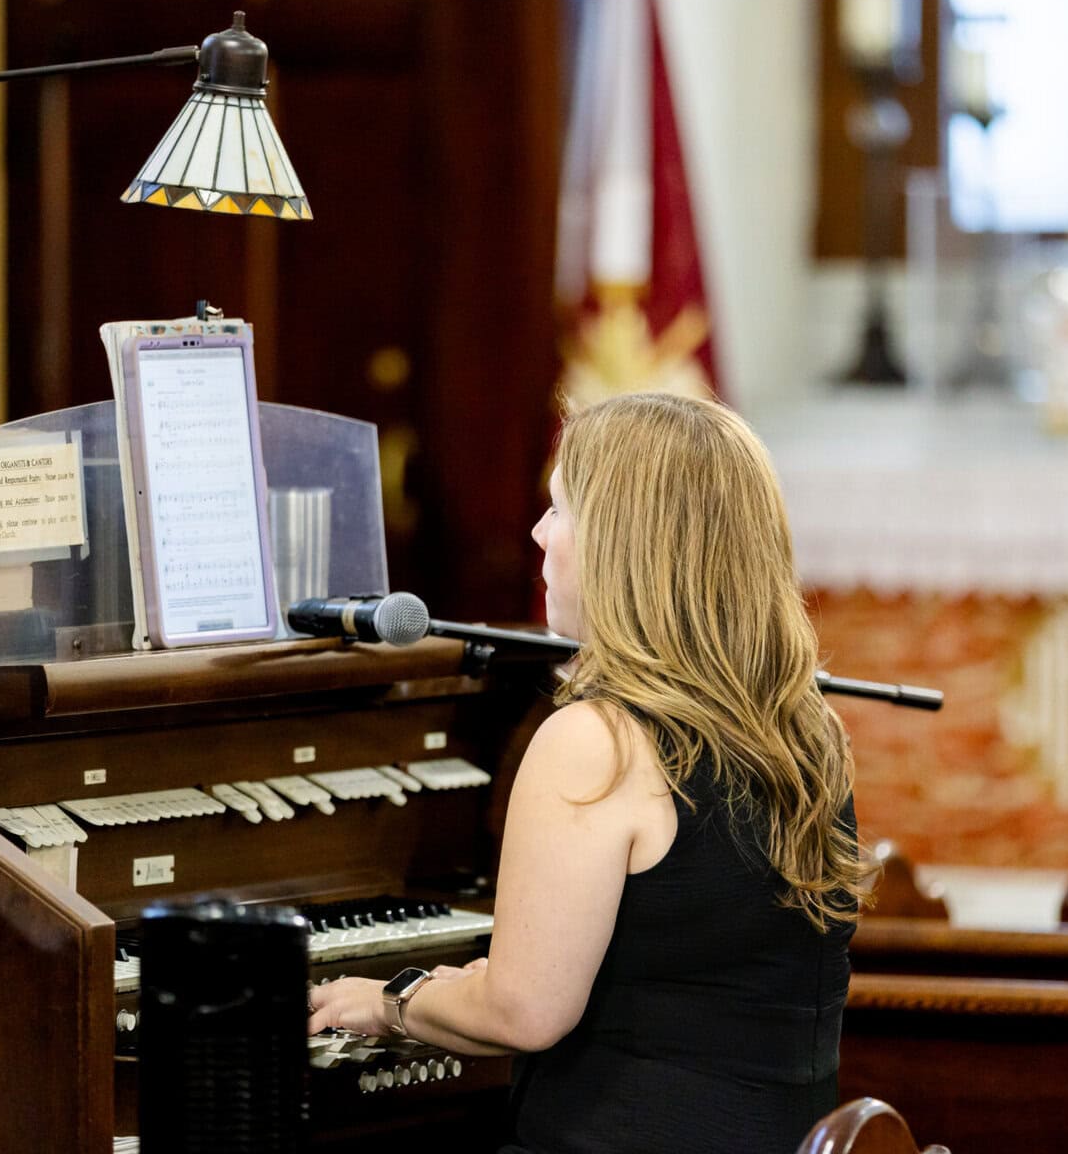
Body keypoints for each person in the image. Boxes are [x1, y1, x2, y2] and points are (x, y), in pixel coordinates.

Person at [308, 392, 867, 1153]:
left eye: (560, 509)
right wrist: (462, 985)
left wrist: (391, 1000)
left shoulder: (596, 740)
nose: (539, 533)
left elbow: (525, 1012)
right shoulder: (809, 727)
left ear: (623, 546)